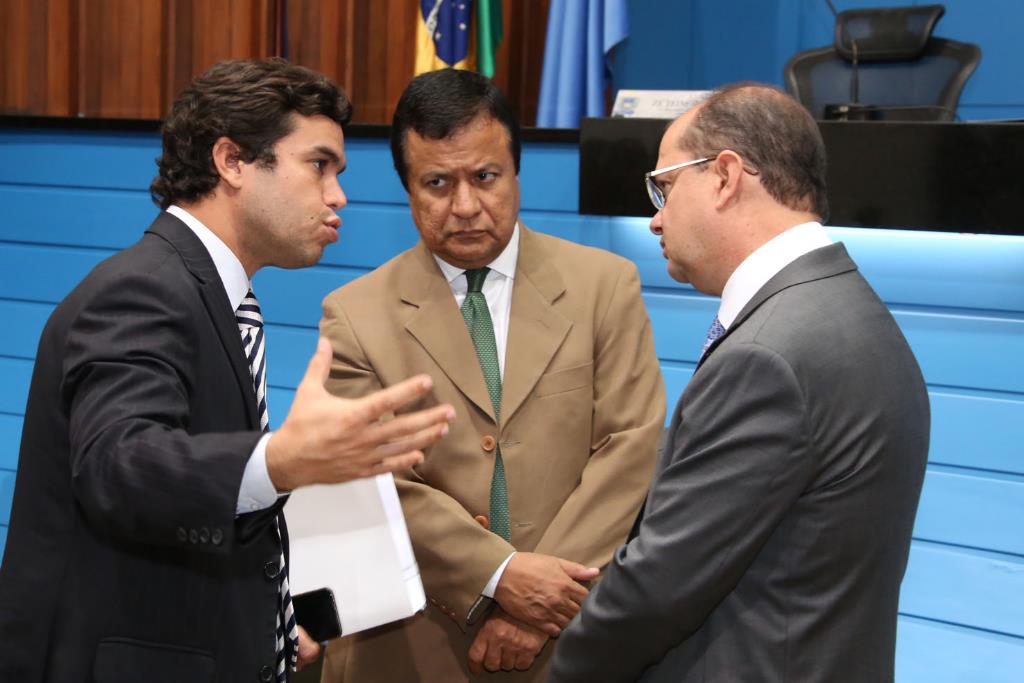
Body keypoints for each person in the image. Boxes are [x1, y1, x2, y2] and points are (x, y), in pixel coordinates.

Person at [0, 58, 454, 683]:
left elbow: (196, 516)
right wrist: (281, 461)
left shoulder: (211, 293)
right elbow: (119, 462)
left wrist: (271, 622)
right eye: (318, 165)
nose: (338, 196)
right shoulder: (141, 288)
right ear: (232, 161)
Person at [547, 84, 931, 682]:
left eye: (664, 187)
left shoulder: (767, 356)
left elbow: (659, 586)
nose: (655, 218)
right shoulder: (853, 311)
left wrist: (565, 672)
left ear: (725, 177)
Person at [318, 68, 665, 682]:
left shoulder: (604, 287)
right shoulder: (354, 315)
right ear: (407, 189)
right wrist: (499, 576)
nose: (465, 207)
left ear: (515, 173)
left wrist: (540, 602)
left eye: (485, 177)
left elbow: (629, 447)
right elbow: (369, 479)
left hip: (570, 634)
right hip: (413, 643)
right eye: (437, 183)